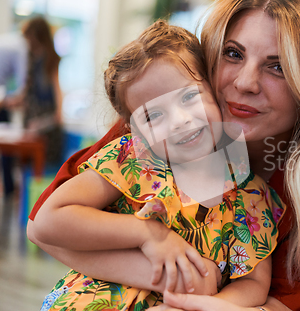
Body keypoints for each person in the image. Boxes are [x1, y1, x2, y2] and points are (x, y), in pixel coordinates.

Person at [28, 0, 300, 310]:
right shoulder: (158, 120)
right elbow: (44, 228)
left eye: (277, 67)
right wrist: (173, 274)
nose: (246, 83)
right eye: (233, 53)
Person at [33, 20, 284, 311]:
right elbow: (50, 220)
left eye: (189, 96)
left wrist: (196, 306)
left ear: (214, 90)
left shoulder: (251, 197)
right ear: (135, 130)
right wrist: (148, 234)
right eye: (154, 116)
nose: (180, 120)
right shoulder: (134, 160)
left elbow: (253, 284)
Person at [21, 16, 64, 166]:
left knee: (45, 162)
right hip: (32, 115)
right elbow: (27, 88)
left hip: (46, 116)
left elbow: (56, 85)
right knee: (27, 160)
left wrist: (60, 110)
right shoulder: (30, 57)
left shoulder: (50, 58)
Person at [0, 30, 28, 198]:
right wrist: (16, 101)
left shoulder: (7, 41)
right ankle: (9, 189)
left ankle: (8, 188)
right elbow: (23, 87)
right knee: (6, 148)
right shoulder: (22, 48)